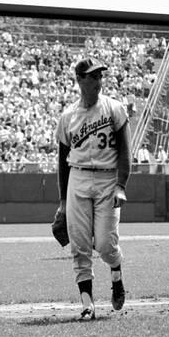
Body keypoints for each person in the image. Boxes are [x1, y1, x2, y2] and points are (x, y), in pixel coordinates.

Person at [55, 57, 132, 321]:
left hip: (108, 179)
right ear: (79, 80)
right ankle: (87, 304)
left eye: (100, 76)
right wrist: (63, 201)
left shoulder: (114, 109)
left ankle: (116, 273)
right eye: (92, 76)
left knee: (105, 245)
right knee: (79, 244)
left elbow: (125, 151)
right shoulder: (67, 117)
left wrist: (121, 184)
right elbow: (62, 162)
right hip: (77, 178)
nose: (98, 81)